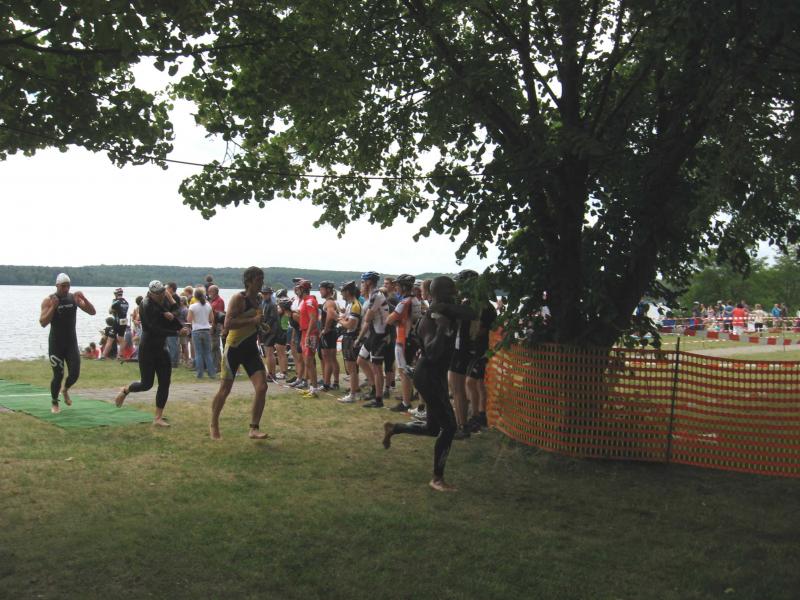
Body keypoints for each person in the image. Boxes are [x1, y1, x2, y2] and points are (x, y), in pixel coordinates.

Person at [382, 275, 465, 492]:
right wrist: (442, 329)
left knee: (432, 428)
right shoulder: (431, 320)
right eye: (451, 292)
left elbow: (470, 313)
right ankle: (437, 478)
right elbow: (432, 352)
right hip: (428, 375)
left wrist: (448, 312)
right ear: (442, 293)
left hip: (435, 375)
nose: (454, 295)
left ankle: (395, 428)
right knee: (449, 427)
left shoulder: (444, 312)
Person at [210, 267, 269, 440]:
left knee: (262, 387)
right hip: (234, 349)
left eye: (262, 279)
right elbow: (228, 323)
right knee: (225, 389)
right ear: (249, 281)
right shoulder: (238, 299)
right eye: (258, 280)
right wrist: (253, 320)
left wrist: (261, 324)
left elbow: (253, 321)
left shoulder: (258, 299)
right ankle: (214, 423)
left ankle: (254, 428)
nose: (261, 283)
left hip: (250, 349)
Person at [114, 280, 182, 426]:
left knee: (165, 382)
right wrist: (176, 332)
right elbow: (154, 329)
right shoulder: (146, 305)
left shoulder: (164, 300)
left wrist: (171, 301)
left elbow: (177, 312)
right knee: (146, 384)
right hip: (148, 348)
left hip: (161, 347)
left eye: (163, 292)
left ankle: (158, 418)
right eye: (159, 294)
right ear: (151, 294)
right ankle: (126, 390)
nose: (162, 296)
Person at [39, 273, 96, 413]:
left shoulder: (73, 298)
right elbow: (43, 322)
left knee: (75, 373)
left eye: (68, 286)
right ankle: (54, 402)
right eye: (63, 286)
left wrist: (84, 299)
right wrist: (53, 307)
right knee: (58, 375)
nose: (66, 289)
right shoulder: (49, 300)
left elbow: (92, 312)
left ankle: (65, 390)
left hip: (71, 343)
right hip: (56, 344)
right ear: (57, 285)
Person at [386, 274, 421, 412]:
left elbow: (389, 319)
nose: (396, 288)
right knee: (410, 370)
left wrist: (395, 319)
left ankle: (406, 403)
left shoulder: (404, 303)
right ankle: (410, 398)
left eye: (398, 285)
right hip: (413, 338)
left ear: (404, 287)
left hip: (403, 339)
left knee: (403, 371)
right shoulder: (415, 300)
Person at [356, 271, 389, 408]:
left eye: (363, 282)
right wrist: (359, 338)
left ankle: (379, 399)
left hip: (380, 334)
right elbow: (367, 321)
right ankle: (374, 389)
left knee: (377, 367)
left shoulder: (376, 295)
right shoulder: (371, 295)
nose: (361, 284)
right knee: (360, 360)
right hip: (373, 333)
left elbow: (368, 318)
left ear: (369, 282)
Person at [338, 281, 363, 403]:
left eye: (342, 291)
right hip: (349, 336)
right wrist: (343, 319)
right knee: (351, 368)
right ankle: (355, 390)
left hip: (351, 337)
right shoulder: (350, 304)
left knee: (352, 368)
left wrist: (339, 320)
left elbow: (350, 325)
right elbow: (347, 320)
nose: (341, 294)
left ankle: (352, 395)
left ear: (347, 292)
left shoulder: (355, 305)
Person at [296, 279, 320, 397]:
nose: (297, 291)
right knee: (307, 362)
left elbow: (313, 319)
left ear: (302, 289)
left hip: (310, 333)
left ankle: (314, 389)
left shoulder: (309, 301)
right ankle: (312, 387)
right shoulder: (305, 301)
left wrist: (308, 335)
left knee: (309, 361)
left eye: (298, 289)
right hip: (305, 332)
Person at [188, 286, 216, 378]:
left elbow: (189, 319)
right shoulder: (208, 305)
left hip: (196, 330)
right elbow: (211, 319)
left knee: (198, 353)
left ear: (195, 296)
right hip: (206, 330)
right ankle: (212, 373)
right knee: (207, 353)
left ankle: (200, 374)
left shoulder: (192, 306)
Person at [318, 281, 340, 391]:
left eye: (322, 289)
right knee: (332, 359)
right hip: (333, 332)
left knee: (327, 359)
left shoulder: (329, 302)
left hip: (329, 333)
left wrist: (325, 329)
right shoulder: (332, 301)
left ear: (328, 290)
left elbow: (330, 315)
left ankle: (326, 384)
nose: (320, 292)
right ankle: (335, 382)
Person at [258, 286, 282, 381]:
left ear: (270, 294)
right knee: (268, 353)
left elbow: (272, 319)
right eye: (263, 293)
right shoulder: (263, 303)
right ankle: (271, 373)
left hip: (270, 331)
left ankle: (271, 374)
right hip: (265, 331)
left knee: (269, 353)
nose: (264, 295)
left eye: (266, 294)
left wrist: (265, 328)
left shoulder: (272, 305)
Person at [102, 288, 130, 359]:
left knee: (110, 339)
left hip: (117, 322)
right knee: (121, 338)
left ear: (116, 294)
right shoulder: (126, 302)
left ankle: (103, 356)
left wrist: (113, 305)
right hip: (124, 322)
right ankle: (120, 356)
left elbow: (110, 311)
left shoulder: (116, 302)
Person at [208, 284, 225, 371]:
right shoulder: (212, 300)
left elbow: (217, 316)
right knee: (214, 346)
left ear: (214, 292)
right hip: (212, 324)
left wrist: (213, 327)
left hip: (216, 325)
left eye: (210, 291)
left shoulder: (219, 301)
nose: (208, 292)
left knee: (215, 346)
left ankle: (217, 366)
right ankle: (217, 365)